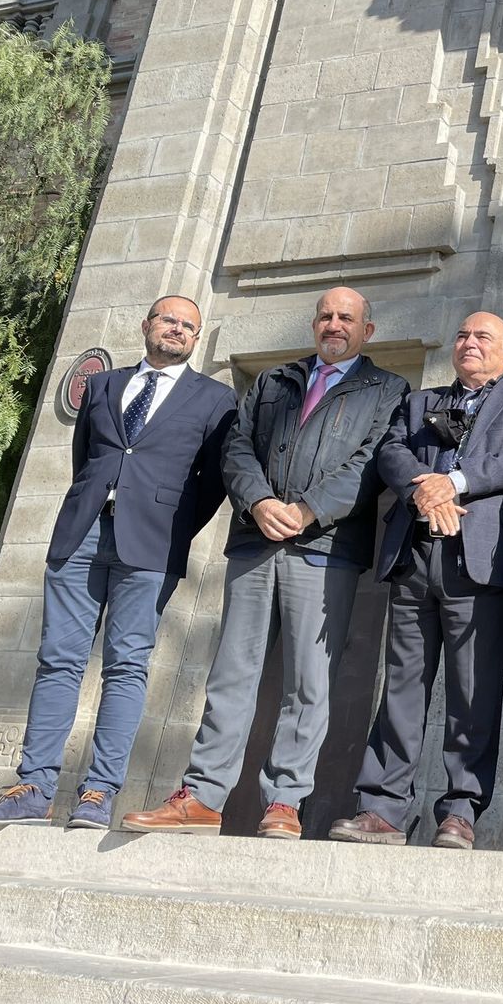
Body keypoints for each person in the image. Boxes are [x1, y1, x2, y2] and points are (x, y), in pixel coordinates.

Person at [123, 287, 407, 840]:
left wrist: (306, 511)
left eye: (346, 318)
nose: (333, 324)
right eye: (325, 315)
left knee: (309, 683)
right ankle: (203, 797)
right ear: (314, 323)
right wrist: (259, 502)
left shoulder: (388, 390)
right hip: (256, 541)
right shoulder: (274, 382)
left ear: (366, 330)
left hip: (326, 550)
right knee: (232, 674)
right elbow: (236, 447)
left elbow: (371, 463)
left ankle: (285, 802)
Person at [0, 295, 236, 829]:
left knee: (126, 664)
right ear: (147, 325)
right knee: (58, 659)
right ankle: (33, 786)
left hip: (153, 544)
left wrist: (173, 525)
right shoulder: (103, 385)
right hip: (84, 533)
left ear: (197, 338)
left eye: (189, 326)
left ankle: (98, 793)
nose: (178, 330)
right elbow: (86, 459)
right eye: (169, 320)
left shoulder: (216, 399)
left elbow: (213, 483)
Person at [327, 311, 503, 849]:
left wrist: (451, 483)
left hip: (479, 560)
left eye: (482, 337)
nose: (469, 343)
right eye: (462, 335)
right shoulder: (419, 402)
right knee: (401, 685)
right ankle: (382, 809)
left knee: (474, 691)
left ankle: (461, 811)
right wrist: (422, 492)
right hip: (414, 556)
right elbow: (391, 451)